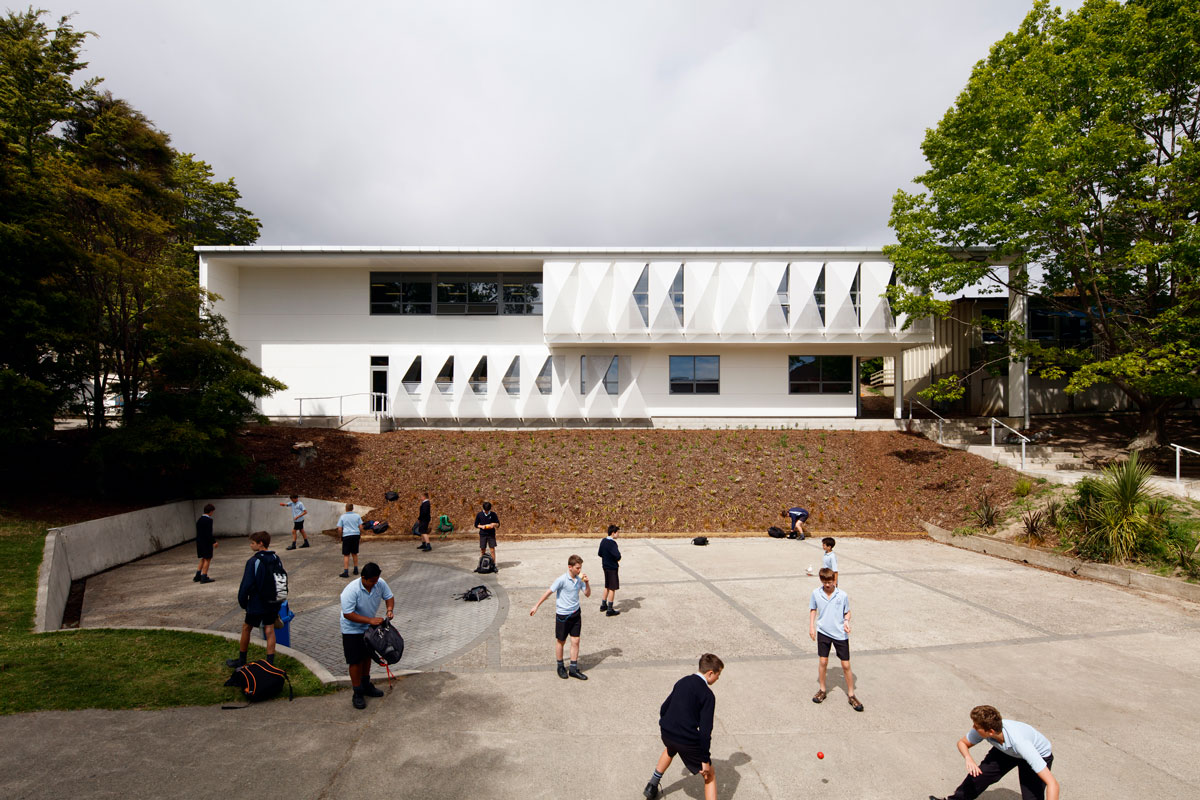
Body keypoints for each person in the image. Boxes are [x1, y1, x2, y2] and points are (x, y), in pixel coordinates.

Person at [929, 705, 1059, 800]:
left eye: (976, 727)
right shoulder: (985, 729)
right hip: (1005, 751)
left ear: (990, 731)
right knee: (979, 776)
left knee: (1032, 797)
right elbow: (962, 743)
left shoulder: (1021, 743)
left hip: (1037, 754)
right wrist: (969, 758)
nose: (974, 728)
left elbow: (1052, 783)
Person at [643, 653, 725, 800]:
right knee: (710, 774)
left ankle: (651, 786)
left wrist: (670, 726)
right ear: (710, 673)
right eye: (718, 674)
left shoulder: (683, 681)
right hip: (686, 741)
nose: (719, 678)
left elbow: (664, 708)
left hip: (667, 732)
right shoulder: (707, 695)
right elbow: (706, 732)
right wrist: (705, 761)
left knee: (670, 749)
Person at [339, 561, 394, 709]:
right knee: (355, 660)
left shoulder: (379, 583)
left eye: (376, 581)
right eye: (371, 581)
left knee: (367, 656)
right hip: (351, 629)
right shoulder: (351, 591)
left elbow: (389, 597)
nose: (374, 584)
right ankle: (357, 692)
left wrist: (389, 610)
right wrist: (370, 620)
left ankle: (366, 684)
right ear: (363, 578)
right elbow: (348, 614)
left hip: (369, 629)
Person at [225, 531, 283, 668]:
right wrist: (279, 600)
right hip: (272, 602)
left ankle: (241, 659)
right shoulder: (276, 558)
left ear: (260, 544)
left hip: (257, 602)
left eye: (252, 543)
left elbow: (246, 584)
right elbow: (281, 580)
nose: (251, 546)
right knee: (269, 630)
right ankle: (270, 664)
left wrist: (243, 602)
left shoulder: (254, 561)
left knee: (246, 628)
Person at [529, 554, 590, 680]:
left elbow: (587, 594)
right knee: (561, 641)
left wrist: (587, 583)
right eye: (577, 568)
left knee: (576, 641)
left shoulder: (580, 580)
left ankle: (573, 668)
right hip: (563, 615)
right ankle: (560, 666)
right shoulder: (561, 580)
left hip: (575, 614)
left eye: (580, 568)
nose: (580, 570)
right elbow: (548, 592)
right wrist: (536, 606)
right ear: (570, 567)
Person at [809, 567, 862, 712]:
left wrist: (846, 621)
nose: (827, 585)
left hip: (840, 634)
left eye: (830, 581)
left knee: (845, 665)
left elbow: (848, 612)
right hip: (823, 631)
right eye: (825, 582)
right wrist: (811, 627)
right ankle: (822, 690)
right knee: (823, 661)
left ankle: (851, 695)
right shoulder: (816, 593)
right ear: (821, 580)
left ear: (834, 580)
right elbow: (813, 610)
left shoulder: (842, 595)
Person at [337, 502, 367, 578]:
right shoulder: (357, 516)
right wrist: (360, 534)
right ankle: (356, 569)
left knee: (346, 554)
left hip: (347, 535)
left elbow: (340, 529)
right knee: (354, 553)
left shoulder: (343, 517)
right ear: (352, 508)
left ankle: (346, 571)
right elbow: (361, 527)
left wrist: (340, 537)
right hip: (355, 535)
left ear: (346, 508)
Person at [598, 524, 621, 616]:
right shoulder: (613, 543)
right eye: (617, 533)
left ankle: (603, 604)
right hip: (612, 568)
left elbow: (600, 553)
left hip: (605, 566)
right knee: (612, 588)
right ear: (613, 533)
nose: (618, 534)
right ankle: (610, 609)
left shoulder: (603, 541)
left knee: (607, 585)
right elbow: (618, 556)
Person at [194, 503, 217, 583]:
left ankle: (197, 575)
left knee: (203, 558)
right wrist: (214, 542)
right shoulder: (209, 520)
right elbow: (208, 533)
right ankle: (204, 576)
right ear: (210, 511)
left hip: (199, 542)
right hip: (206, 542)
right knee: (207, 559)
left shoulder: (199, 520)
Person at [475, 500, 499, 566]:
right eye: (486, 510)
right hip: (483, 534)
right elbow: (476, 524)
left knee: (492, 550)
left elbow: (498, 524)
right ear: (483, 509)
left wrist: (494, 524)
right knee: (483, 550)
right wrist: (482, 526)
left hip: (491, 534)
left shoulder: (493, 514)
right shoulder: (479, 515)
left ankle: (493, 565)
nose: (487, 512)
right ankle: (480, 564)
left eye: (488, 510)